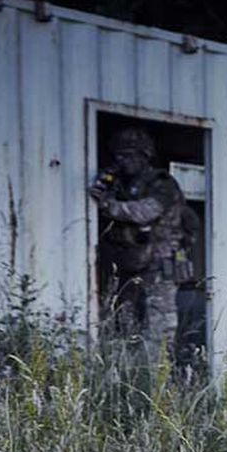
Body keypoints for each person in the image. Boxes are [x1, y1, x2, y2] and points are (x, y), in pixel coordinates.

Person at [89, 128, 196, 357]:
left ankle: (159, 377)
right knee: (123, 321)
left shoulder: (162, 183)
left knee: (159, 324)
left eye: (128, 155)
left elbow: (145, 212)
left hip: (160, 263)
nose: (122, 161)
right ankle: (131, 377)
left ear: (144, 155)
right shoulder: (124, 184)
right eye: (118, 156)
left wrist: (108, 204)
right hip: (131, 262)